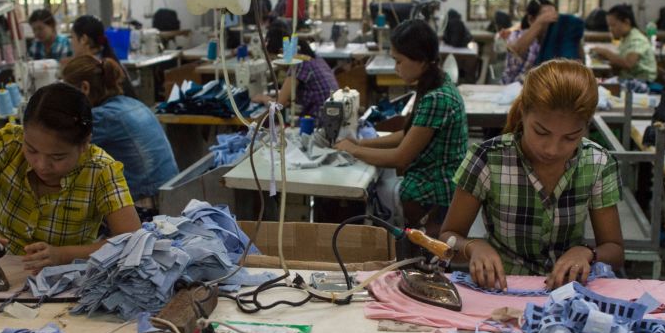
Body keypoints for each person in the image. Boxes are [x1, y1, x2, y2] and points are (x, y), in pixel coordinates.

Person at [440, 59, 624, 290]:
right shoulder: (488, 159)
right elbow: (446, 238)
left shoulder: (597, 163)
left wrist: (587, 252)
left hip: (567, 292)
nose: (552, 149)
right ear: (523, 112)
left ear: (586, 127)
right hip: (502, 287)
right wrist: (473, 247)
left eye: (570, 137)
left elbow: (615, 250)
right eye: (541, 132)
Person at [0, 82, 141, 273]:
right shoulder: (10, 142)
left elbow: (131, 239)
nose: (41, 165)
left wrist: (63, 255)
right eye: (31, 150)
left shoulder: (102, 170)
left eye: (57, 157)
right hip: (5, 267)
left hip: (66, 275)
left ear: (85, 144)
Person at [335, 19, 467, 235]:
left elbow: (400, 157)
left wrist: (352, 150)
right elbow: (407, 135)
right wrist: (361, 142)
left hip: (435, 192)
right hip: (436, 181)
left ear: (421, 60)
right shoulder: (437, 85)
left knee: (366, 193)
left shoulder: (437, 99)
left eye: (399, 61)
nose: (395, 69)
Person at [61, 55, 178, 207]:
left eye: (66, 93)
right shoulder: (133, 103)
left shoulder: (103, 117)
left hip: (148, 204)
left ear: (85, 88)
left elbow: (60, 144)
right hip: (170, 193)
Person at [252, 20, 338, 119]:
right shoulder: (312, 57)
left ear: (281, 53)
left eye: (274, 59)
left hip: (320, 122)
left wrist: (263, 98)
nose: (276, 64)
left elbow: (278, 106)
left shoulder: (298, 65)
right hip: (332, 115)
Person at [69, 15, 138, 100]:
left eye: (72, 37)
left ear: (83, 39)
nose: (71, 43)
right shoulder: (111, 61)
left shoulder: (91, 68)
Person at [589, 4, 657, 81]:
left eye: (613, 25)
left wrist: (606, 53)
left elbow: (628, 64)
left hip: (642, 83)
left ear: (626, 22)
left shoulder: (637, 39)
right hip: (630, 80)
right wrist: (605, 58)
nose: (610, 29)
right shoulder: (626, 39)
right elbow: (621, 62)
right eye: (609, 26)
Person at [503, 0, 558, 84]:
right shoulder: (517, 35)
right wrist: (540, 22)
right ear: (531, 20)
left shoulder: (555, 40)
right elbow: (516, 50)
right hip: (515, 89)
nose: (550, 21)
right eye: (546, 16)